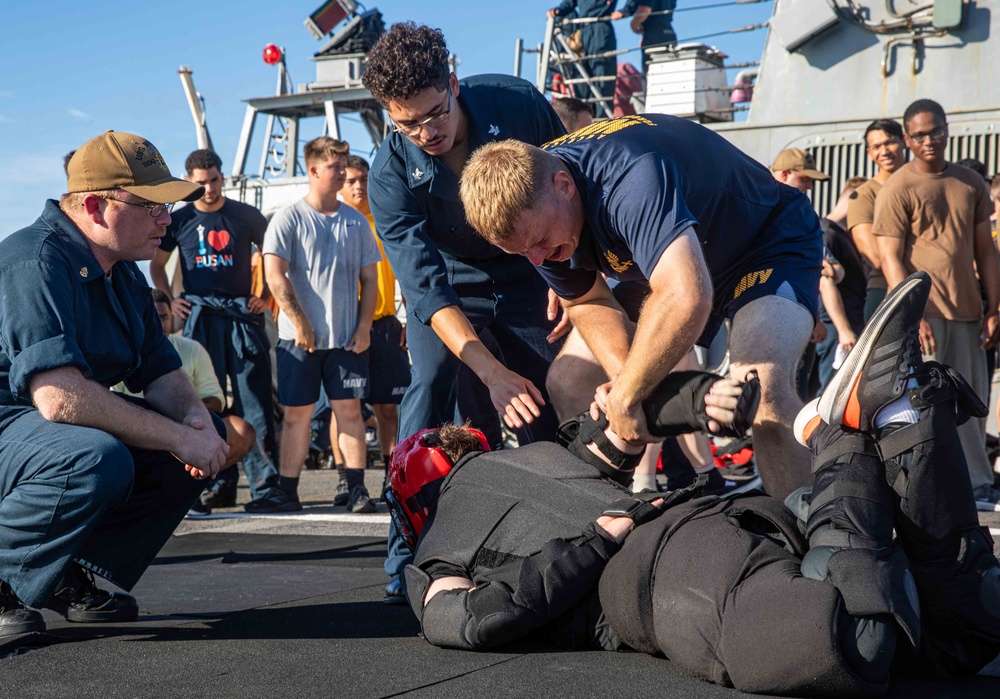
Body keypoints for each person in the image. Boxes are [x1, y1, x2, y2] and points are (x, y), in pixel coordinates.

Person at [390, 272, 1000, 696]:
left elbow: (470, 621)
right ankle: (901, 417)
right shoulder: (548, 454)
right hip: (732, 524)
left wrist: (592, 545)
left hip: (667, 570)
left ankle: (844, 432)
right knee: (961, 636)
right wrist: (706, 397)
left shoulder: (441, 549)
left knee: (851, 648)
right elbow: (629, 424)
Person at [460, 115, 824, 502]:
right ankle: (604, 528)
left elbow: (686, 297)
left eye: (540, 242)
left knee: (763, 389)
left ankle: (809, 533)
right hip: (673, 260)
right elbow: (586, 300)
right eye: (522, 253)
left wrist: (627, 396)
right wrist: (627, 384)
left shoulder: (630, 179)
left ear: (564, 187)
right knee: (570, 380)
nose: (537, 260)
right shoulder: (541, 214)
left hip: (763, 243)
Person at [362, 23, 567, 602]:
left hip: (530, 265)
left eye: (434, 114)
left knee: (545, 401)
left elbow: (568, 184)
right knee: (430, 392)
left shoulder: (519, 103)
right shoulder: (389, 174)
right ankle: (406, 560)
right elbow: (424, 288)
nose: (426, 132)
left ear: (452, 82)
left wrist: (569, 270)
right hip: (453, 284)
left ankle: (564, 539)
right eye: (406, 123)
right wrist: (490, 372)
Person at [0, 130, 229, 640]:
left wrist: (193, 423)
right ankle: (6, 575)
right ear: (98, 207)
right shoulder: (35, 261)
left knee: (208, 431)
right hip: (14, 425)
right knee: (95, 455)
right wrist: (177, 437)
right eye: (152, 206)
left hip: (38, 433)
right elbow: (58, 398)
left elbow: (162, 373)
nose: (167, 219)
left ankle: (56, 570)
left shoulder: (123, 273)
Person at [873, 98, 1000, 510]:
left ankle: (979, 484)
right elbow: (890, 257)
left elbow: (986, 250)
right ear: (908, 138)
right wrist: (913, 312)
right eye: (921, 134)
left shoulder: (970, 183)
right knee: (921, 406)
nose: (930, 140)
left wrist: (995, 306)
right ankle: (925, 488)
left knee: (973, 403)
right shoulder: (898, 188)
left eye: (937, 131)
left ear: (948, 130)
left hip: (968, 312)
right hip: (924, 314)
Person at [149, 149, 279, 512]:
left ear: (222, 177)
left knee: (254, 400)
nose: (208, 187)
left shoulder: (246, 215)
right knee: (208, 402)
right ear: (190, 181)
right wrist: (173, 300)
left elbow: (273, 256)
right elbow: (158, 266)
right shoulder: (180, 219)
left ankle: (266, 488)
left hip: (241, 315)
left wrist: (264, 294)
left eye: (214, 180)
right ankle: (216, 485)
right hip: (200, 317)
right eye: (201, 182)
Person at [261, 136, 381, 514]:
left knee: (350, 410)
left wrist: (364, 327)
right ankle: (287, 490)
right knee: (297, 415)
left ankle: (357, 488)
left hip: (346, 340)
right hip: (298, 341)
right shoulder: (288, 218)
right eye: (335, 166)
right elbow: (274, 276)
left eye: (344, 164)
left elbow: (370, 280)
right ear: (313, 170)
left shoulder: (356, 222)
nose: (343, 172)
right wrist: (300, 322)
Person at [112, 290, 257, 516]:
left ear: (173, 317)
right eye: (154, 316)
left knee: (240, 429)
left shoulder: (192, 348)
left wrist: (188, 415)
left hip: (189, 429)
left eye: (165, 317)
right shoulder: (120, 348)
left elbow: (216, 400)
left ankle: (186, 492)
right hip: (140, 433)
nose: (160, 323)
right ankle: (141, 496)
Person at [338, 155, 412, 500]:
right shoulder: (334, 222)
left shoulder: (384, 220)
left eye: (363, 179)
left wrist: (411, 320)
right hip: (343, 326)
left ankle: (390, 475)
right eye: (351, 179)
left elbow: (410, 273)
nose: (358, 186)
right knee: (346, 407)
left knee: (388, 408)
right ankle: (346, 479)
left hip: (383, 324)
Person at [847, 119, 907, 322]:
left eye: (889, 142)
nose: (884, 151)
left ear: (904, 141)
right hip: (884, 292)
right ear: (869, 153)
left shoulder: (924, 185)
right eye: (876, 146)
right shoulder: (863, 196)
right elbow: (875, 256)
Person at [815, 179, 868, 394]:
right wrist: (843, 329)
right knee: (830, 392)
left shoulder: (839, 233)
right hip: (836, 328)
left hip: (844, 325)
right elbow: (824, 281)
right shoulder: (827, 233)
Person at [547, 1, 619, 110]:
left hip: (601, 27)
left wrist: (627, 10)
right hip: (584, 30)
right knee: (583, 76)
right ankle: (586, 116)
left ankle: (602, 117)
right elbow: (570, 2)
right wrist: (559, 10)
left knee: (602, 75)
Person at [612, 1, 677, 72]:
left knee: (651, 71)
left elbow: (645, 8)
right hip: (668, 34)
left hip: (653, 35)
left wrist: (634, 24)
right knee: (669, 70)